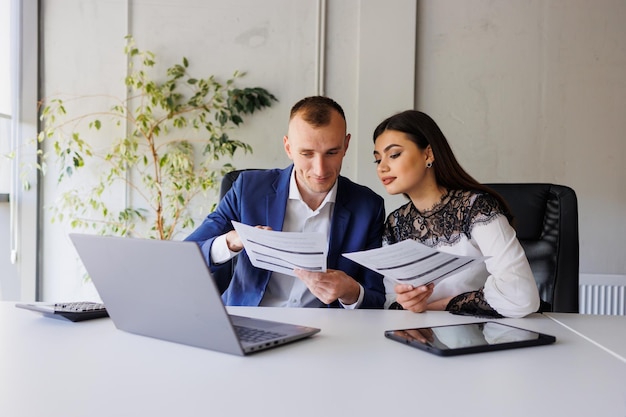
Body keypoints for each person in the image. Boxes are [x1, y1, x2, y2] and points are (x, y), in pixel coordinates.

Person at [185, 96, 386, 308]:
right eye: (307, 153)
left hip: (324, 333)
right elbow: (187, 255)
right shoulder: (248, 189)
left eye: (332, 153)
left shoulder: (368, 206)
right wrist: (231, 241)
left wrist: (350, 292)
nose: (320, 169)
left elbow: (376, 299)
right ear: (288, 148)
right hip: (249, 322)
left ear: (346, 146)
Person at [372, 110, 540, 318]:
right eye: (378, 160)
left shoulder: (476, 208)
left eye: (394, 154)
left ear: (428, 154)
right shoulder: (395, 224)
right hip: (422, 339)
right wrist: (406, 303)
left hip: (486, 337)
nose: (382, 167)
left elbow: (521, 296)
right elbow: (391, 302)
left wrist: (439, 305)